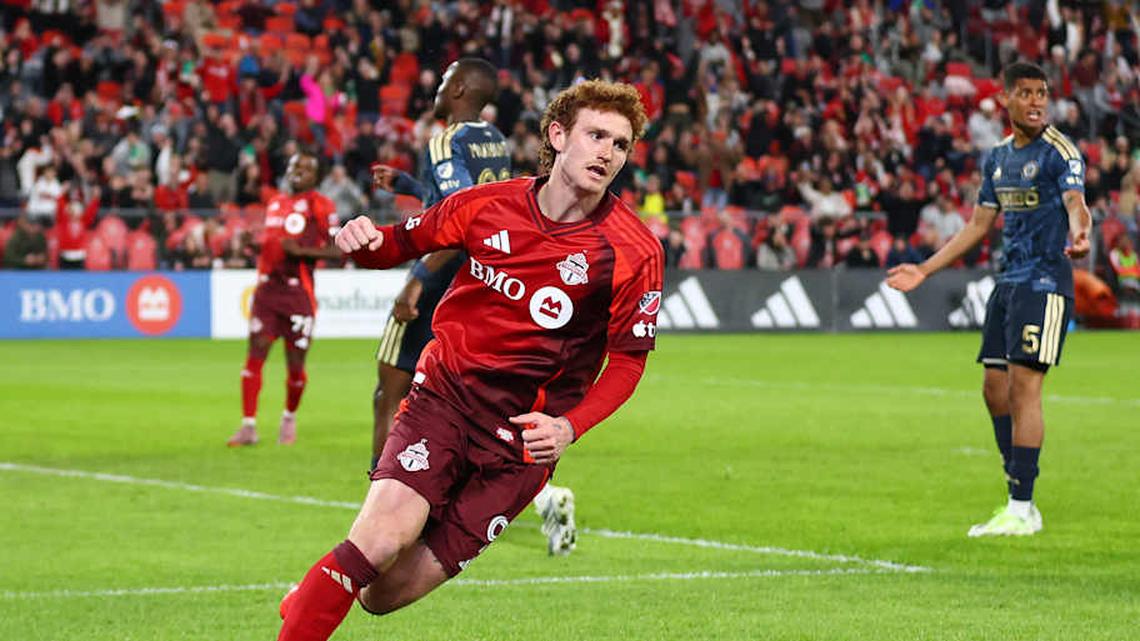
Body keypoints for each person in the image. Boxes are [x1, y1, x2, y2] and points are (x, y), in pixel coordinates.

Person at [276, 79, 660, 641]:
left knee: (379, 595)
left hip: (520, 447)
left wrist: (568, 426)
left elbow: (628, 362)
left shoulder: (634, 251)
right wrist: (361, 238)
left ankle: (313, 597)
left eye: (620, 144)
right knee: (378, 540)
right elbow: (393, 245)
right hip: (445, 402)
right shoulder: (486, 206)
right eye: (595, 135)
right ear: (558, 135)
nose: (606, 152)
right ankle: (312, 610)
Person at [370, 58, 579, 556]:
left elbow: (461, 217)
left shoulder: (446, 138)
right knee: (488, 406)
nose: (437, 85)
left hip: (445, 277)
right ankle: (548, 500)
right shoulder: (494, 140)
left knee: (389, 387)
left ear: (459, 88)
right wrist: (406, 184)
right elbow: (468, 202)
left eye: (442, 79)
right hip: (488, 280)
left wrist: (416, 282)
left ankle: (381, 503)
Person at [887, 62, 1091, 537]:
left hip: (1044, 282)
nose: (1037, 101)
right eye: (1026, 93)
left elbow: (1077, 205)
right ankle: (1017, 490)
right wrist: (923, 268)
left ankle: (1022, 507)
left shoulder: (1060, 152)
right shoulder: (997, 158)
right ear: (1006, 100)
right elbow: (978, 226)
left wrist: (1081, 235)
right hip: (1008, 282)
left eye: (1042, 92)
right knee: (993, 391)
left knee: (1024, 389)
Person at [227, 152, 340, 447]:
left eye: (306, 167)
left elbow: (337, 250)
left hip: (298, 294)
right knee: (256, 352)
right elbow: (272, 243)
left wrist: (301, 253)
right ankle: (248, 426)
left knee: (295, 363)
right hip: (266, 291)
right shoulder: (276, 203)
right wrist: (253, 244)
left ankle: (289, 417)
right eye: (294, 166)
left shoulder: (321, 206)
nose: (298, 171)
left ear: (316, 176)